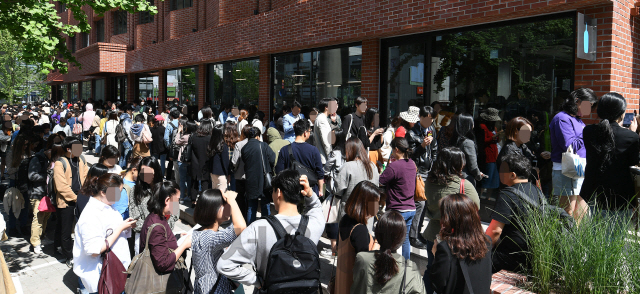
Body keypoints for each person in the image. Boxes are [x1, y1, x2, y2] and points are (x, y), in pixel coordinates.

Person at [216, 170, 325, 288]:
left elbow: (224, 264)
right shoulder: (315, 224)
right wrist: (310, 194)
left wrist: (257, 281)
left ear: (278, 192)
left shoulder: (259, 228)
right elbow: (316, 207)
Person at [421, 147, 479, 294]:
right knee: (451, 274)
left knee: (430, 269)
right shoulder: (464, 185)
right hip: (454, 237)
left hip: (433, 233)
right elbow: (476, 205)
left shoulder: (429, 181)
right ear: (456, 164)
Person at [73, 173, 136, 294]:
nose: (119, 196)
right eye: (117, 192)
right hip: (103, 277)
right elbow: (94, 250)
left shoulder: (108, 205)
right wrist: (120, 228)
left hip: (116, 272)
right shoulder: (91, 215)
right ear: (103, 192)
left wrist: (125, 226)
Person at [582, 92, 640, 212]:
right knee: (618, 228)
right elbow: (634, 160)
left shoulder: (588, 131)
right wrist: (633, 133)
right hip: (620, 193)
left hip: (593, 190)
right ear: (621, 113)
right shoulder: (630, 136)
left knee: (595, 227)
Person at [486, 154, 542, 273]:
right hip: (534, 254)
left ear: (512, 175)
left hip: (511, 255)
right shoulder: (537, 190)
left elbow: (495, 231)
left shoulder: (507, 194)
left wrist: (481, 251)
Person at [549, 88, 596, 220]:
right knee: (567, 211)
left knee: (580, 211)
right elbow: (569, 145)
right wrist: (588, 133)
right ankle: (564, 239)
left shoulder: (577, 120)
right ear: (577, 101)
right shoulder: (562, 118)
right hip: (566, 168)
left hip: (578, 167)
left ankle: (576, 239)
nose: (590, 110)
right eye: (589, 105)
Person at [351, 210, 426, 294]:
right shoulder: (410, 268)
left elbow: (356, 289)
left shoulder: (362, 259)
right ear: (402, 239)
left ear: (377, 234)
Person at [430, 193, 492, 294]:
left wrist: (435, 254)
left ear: (448, 219)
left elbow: (437, 285)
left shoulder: (446, 248)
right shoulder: (486, 242)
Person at [192, 189, 247, 294]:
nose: (228, 207)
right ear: (212, 209)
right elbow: (240, 227)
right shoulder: (208, 237)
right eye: (224, 204)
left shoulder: (201, 232)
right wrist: (231, 199)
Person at [335, 181, 381, 294]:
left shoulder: (345, 219)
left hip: (340, 285)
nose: (377, 209)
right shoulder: (359, 230)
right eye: (375, 204)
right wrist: (377, 244)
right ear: (365, 204)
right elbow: (365, 265)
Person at [139, 181, 192, 274]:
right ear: (167, 200)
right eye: (177, 200)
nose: (178, 204)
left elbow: (161, 242)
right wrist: (184, 245)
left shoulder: (157, 216)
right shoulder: (156, 226)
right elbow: (163, 264)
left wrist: (177, 237)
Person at [54, 136, 89, 267]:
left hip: (81, 198)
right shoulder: (60, 163)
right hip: (66, 202)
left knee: (81, 227)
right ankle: (68, 255)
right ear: (68, 149)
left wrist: (84, 195)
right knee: (66, 230)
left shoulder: (82, 160)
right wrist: (76, 198)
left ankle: (79, 251)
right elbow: (61, 186)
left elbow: (86, 178)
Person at [129, 157, 176, 255]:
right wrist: (154, 229)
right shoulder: (135, 191)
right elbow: (135, 219)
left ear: (156, 171)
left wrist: (163, 230)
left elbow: (174, 213)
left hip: (164, 237)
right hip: (142, 238)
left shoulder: (167, 189)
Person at [379, 137, 416, 260]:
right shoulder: (412, 163)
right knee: (405, 240)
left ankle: (390, 265)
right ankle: (405, 265)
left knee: (390, 241)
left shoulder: (394, 166)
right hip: (410, 208)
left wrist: (386, 167)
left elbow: (380, 181)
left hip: (397, 210)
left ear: (396, 149)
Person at [407, 106, 437, 250]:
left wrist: (434, 165)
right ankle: (413, 236)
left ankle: (417, 232)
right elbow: (409, 154)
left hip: (429, 171)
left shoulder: (432, 130)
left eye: (432, 119)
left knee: (425, 202)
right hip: (417, 171)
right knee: (420, 203)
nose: (430, 121)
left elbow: (435, 149)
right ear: (421, 117)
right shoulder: (412, 133)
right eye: (428, 118)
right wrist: (422, 146)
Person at [28, 134, 63, 254]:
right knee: (38, 219)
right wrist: (48, 176)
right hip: (37, 194)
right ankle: (35, 243)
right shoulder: (37, 159)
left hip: (47, 194)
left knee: (45, 218)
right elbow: (31, 176)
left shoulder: (50, 160)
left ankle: (41, 237)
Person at [496, 117, 551, 185]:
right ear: (516, 132)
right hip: (514, 190)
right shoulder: (509, 149)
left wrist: (543, 157)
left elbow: (533, 162)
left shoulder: (523, 146)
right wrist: (534, 170)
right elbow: (518, 174)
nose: (529, 135)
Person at [275, 119, 324, 196]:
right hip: (310, 192)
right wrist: (321, 191)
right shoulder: (314, 150)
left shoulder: (284, 150)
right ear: (305, 133)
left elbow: (279, 172)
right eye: (309, 131)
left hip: (290, 192)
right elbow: (320, 173)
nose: (310, 133)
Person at [241, 127, 275, 224]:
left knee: (251, 207)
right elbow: (273, 159)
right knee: (265, 205)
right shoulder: (264, 145)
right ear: (257, 136)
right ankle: (266, 227)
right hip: (264, 179)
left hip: (250, 180)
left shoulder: (244, 148)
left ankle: (251, 229)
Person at [450, 113, 485, 186]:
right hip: (465, 180)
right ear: (468, 125)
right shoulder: (468, 143)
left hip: (452, 178)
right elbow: (473, 166)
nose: (473, 125)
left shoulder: (453, 140)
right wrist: (478, 175)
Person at [477, 108, 502, 194]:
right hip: (487, 155)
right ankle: (480, 197)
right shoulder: (482, 127)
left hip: (494, 155)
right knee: (486, 177)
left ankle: (489, 197)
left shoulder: (494, 128)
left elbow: (496, 141)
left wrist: (499, 136)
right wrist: (494, 136)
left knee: (493, 178)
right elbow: (483, 140)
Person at [190, 121, 213, 204]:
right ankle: (204, 202)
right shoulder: (209, 138)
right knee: (205, 182)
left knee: (194, 181)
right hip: (206, 162)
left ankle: (193, 201)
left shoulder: (194, 137)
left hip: (195, 161)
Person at [231, 126, 251, 220]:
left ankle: (241, 219)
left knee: (240, 199)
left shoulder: (239, 144)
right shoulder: (259, 144)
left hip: (240, 175)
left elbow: (234, 161)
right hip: (252, 176)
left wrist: (234, 169)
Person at [174, 120, 196, 204]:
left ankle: (182, 197)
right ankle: (189, 196)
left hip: (182, 160)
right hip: (191, 161)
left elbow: (176, 142)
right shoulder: (195, 136)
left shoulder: (185, 137)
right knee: (189, 179)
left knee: (182, 180)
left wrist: (179, 132)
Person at [208, 124, 230, 193]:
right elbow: (225, 162)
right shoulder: (223, 145)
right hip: (221, 174)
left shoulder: (211, 144)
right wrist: (228, 174)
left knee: (215, 194)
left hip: (212, 172)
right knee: (221, 195)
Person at [314, 98, 333, 165]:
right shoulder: (322, 120)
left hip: (323, 158)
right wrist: (331, 158)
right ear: (326, 107)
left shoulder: (321, 118)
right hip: (324, 160)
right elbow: (326, 142)